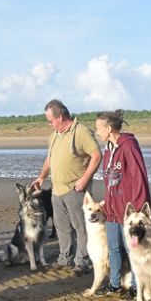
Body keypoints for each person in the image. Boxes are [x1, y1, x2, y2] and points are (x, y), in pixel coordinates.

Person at [33, 99, 101, 276]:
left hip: (76, 190)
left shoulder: (81, 132)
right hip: (56, 190)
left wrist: (85, 179)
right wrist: (42, 176)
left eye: (50, 121)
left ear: (60, 117)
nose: (49, 124)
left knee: (80, 227)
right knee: (61, 227)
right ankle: (64, 258)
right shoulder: (54, 135)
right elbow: (50, 158)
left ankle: (82, 261)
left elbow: (96, 155)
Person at [94, 110, 150, 299]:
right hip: (112, 209)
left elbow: (139, 177)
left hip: (128, 212)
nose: (97, 132)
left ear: (109, 128)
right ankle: (114, 284)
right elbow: (109, 180)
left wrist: (138, 210)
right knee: (114, 248)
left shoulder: (129, 146)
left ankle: (135, 286)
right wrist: (107, 201)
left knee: (132, 249)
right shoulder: (108, 149)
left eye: (99, 128)